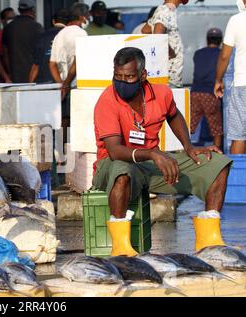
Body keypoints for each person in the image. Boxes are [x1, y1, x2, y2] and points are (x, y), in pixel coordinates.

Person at [93, 47, 232, 257]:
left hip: (149, 164)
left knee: (217, 163)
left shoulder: (161, 93)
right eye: (117, 76)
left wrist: (189, 146)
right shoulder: (107, 100)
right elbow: (114, 151)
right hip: (111, 166)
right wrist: (153, 154)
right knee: (122, 170)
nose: (122, 82)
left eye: (129, 77)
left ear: (143, 75)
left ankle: (209, 240)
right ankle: (120, 247)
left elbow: (174, 115)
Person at [49, 3, 89, 131]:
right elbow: (78, 62)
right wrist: (66, 84)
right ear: (82, 17)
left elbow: (52, 64)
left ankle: (62, 149)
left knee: (64, 120)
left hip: (63, 87)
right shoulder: (81, 34)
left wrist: (61, 85)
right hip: (77, 85)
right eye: (88, 16)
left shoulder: (59, 35)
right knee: (78, 122)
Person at [215, 0, 246, 155]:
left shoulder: (236, 20)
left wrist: (218, 80)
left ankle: (238, 177)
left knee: (239, 136)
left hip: (242, 84)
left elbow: (225, 56)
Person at [191, 28, 224, 150]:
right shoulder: (221, 54)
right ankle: (217, 151)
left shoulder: (198, 53)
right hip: (210, 93)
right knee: (216, 126)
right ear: (220, 40)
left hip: (195, 92)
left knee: (190, 124)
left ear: (207, 39)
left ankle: (181, 149)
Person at [145, 0, 189, 88]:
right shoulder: (165, 10)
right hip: (169, 78)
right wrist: (170, 52)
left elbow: (145, 30)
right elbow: (158, 34)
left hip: (169, 77)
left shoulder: (166, 10)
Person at [2, 0, 44, 83]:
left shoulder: (8, 28)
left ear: (19, 9)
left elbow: (5, 54)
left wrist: (10, 72)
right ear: (33, 10)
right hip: (34, 78)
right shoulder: (37, 27)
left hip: (15, 77)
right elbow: (42, 54)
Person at [28, 8, 69, 84]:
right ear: (69, 23)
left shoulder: (42, 37)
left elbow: (35, 66)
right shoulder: (71, 36)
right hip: (66, 84)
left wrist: (29, 87)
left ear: (53, 21)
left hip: (45, 84)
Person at [0, 7, 16, 83]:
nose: (12, 20)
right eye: (9, 18)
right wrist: (6, 76)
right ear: (2, 21)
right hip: (7, 80)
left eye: (14, 18)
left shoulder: (18, 33)